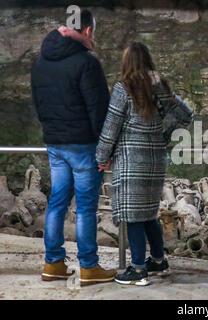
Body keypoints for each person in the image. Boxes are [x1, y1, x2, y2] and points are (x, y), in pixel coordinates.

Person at [31, 9, 117, 286]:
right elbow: (100, 111)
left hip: (55, 143)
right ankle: (89, 267)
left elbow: (38, 104)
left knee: (56, 203)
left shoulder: (41, 62)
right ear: (88, 31)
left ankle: (53, 263)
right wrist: (106, 150)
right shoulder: (86, 63)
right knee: (86, 208)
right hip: (83, 146)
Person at [96, 42, 173, 286]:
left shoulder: (124, 88)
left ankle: (138, 269)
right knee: (149, 213)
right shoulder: (161, 86)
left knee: (133, 216)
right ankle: (159, 261)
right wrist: (164, 136)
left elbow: (111, 126)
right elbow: (183, 114)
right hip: (156, 159)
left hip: (131, 159)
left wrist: (101, 157)